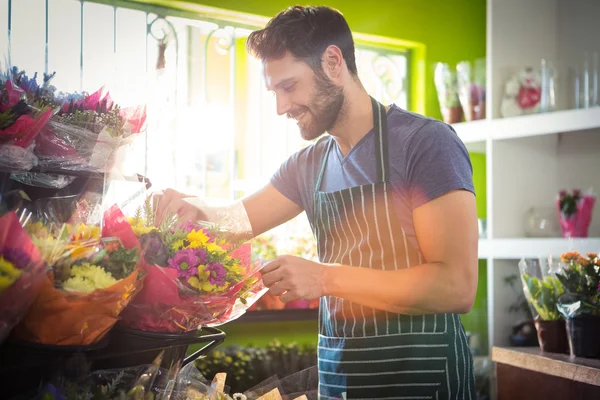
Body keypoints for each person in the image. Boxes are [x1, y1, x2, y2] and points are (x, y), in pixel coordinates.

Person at [156, 5, 478, 399]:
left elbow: (456, 286)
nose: (280, 107)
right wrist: (190, 209)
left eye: (289, 86)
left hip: (423, 381)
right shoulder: (309, 164)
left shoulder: (425, 144)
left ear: (333, 61)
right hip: (343, 381)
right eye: (274, 91)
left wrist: (324, 278)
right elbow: (238, 219)